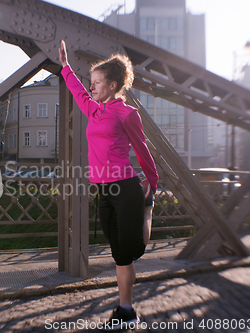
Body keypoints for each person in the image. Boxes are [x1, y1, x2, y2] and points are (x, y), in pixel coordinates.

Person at [58, 40, 158, 330]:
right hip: (103, 189)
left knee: (131, 250)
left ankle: (148, 208)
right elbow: (77, 91)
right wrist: (65, 67)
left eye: (97, 82)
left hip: (126, 187)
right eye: (92, 82)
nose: (92, 87)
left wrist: (151, 181)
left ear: (112, 85)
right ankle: (126, 310)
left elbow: (142, 149)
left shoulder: (127, 114)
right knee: (118, 253)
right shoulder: (94, 110)